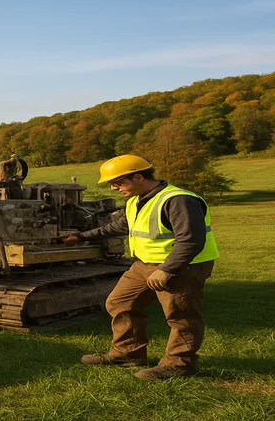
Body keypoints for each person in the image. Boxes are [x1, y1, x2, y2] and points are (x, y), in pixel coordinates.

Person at [62, 154, 219, 380]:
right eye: (111, 184)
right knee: (120, 302)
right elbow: (119, 227)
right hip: (145, 264)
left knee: (181, 315)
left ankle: (180, 364)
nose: (115, 188)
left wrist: (167, 269)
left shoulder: (178, 200)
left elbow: (191, 240)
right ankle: (128, 353)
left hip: (184, 265)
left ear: (138, 176)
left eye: (118, 183)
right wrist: (82, 236)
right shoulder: (136, 200)